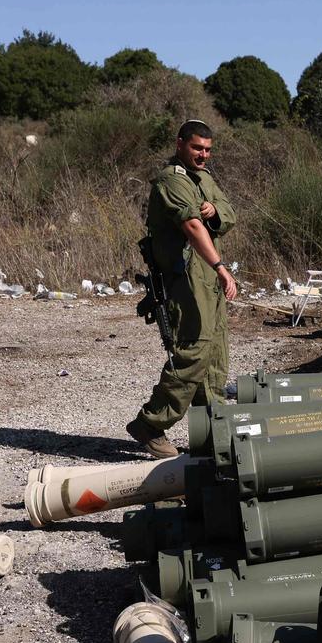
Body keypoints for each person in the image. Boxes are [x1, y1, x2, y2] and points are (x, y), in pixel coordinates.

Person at [126, 120, 237, 458]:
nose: (203, 155)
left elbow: (229, 214)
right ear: (180, 144)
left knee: (215, 351)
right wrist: (220, 266)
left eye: (207, 149)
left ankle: (211, 432)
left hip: (207, 277)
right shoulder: (170, 181)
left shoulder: (203, 178)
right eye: (196, 148)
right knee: (195, 348)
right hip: (186, 277)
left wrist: (215, 210)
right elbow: (191, 226)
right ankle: (151, 424)